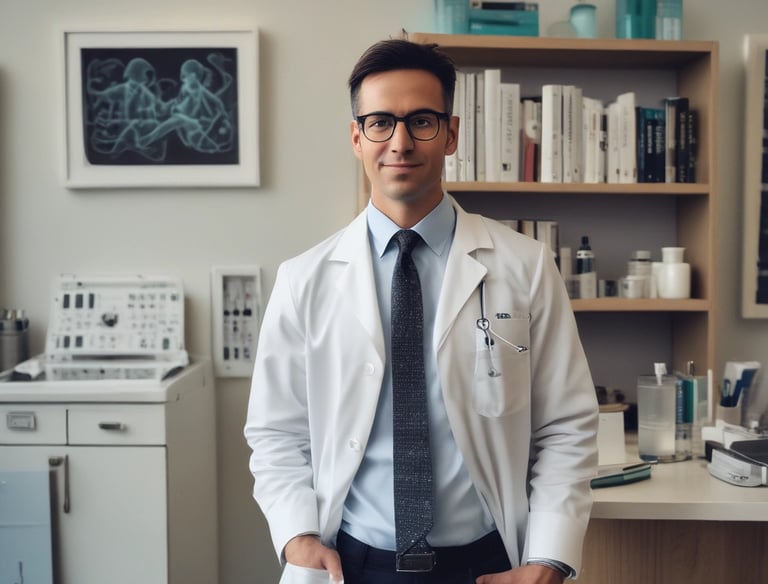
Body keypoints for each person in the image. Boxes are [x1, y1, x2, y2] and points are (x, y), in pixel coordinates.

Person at [244, 38, 598, 584]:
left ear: (451, 133)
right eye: (380, 123)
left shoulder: (524, 266)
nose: (401, 142)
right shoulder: (302, 280)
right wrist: (296, 535)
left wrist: (549, 558)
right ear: (357, 137)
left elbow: (566, 425)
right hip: (351, 564)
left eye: (422, 122)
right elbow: (276, 431)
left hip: (488, 564)